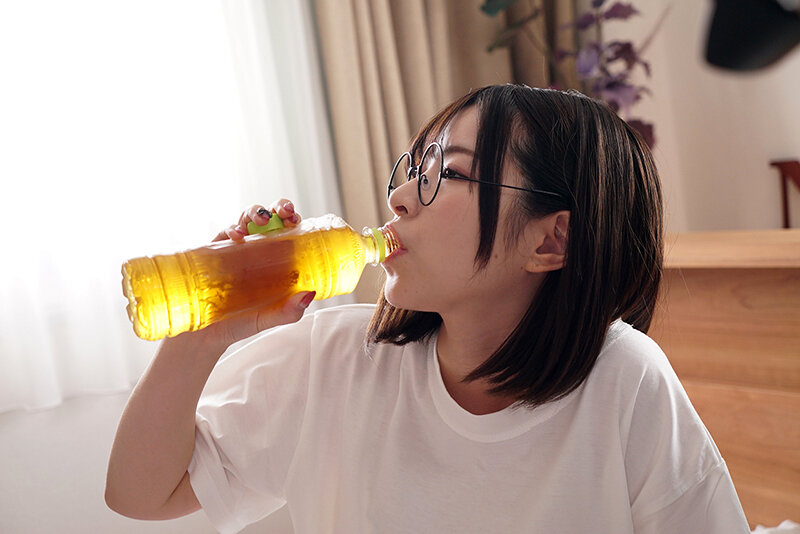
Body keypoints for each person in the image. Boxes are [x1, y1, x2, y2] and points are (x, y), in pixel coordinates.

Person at [105, 85, 750, 533]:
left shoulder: (623, 380)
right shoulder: (333, 359)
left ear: (550, 241)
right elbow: (140, 495)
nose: (402, 198)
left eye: (451, 174)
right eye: (415, 167)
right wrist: (202, 335)